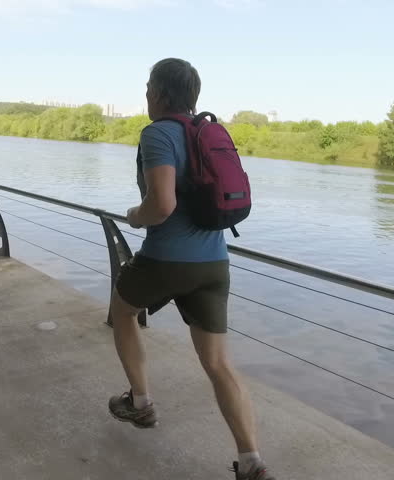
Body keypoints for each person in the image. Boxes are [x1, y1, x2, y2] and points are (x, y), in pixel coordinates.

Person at [107, 58, 276, 480]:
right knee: (218, 363)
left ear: (161, 94)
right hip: (214, 263)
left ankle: (141, 404)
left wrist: (134, 215)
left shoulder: (158, 133)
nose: (145, 95)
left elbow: (161, 204)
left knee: (123, 310)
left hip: (166, 261)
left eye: (148, 87)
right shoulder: (208, 133)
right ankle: (251, 462)